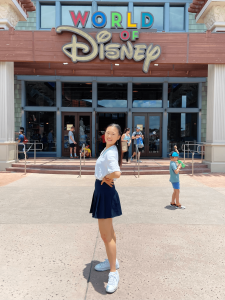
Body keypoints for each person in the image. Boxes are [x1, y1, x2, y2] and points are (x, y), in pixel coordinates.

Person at [90, 124, 122, 294]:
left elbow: (117, 173)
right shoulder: (107, 149)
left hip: (104, 190)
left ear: (118, 137)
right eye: (107, 132)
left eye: (113, 134)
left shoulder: (111, 152)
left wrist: (105, 176)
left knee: (105, 235)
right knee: (109, 231)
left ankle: (113, 273)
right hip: (102, 190)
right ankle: (113, 262)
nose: (109, 135)